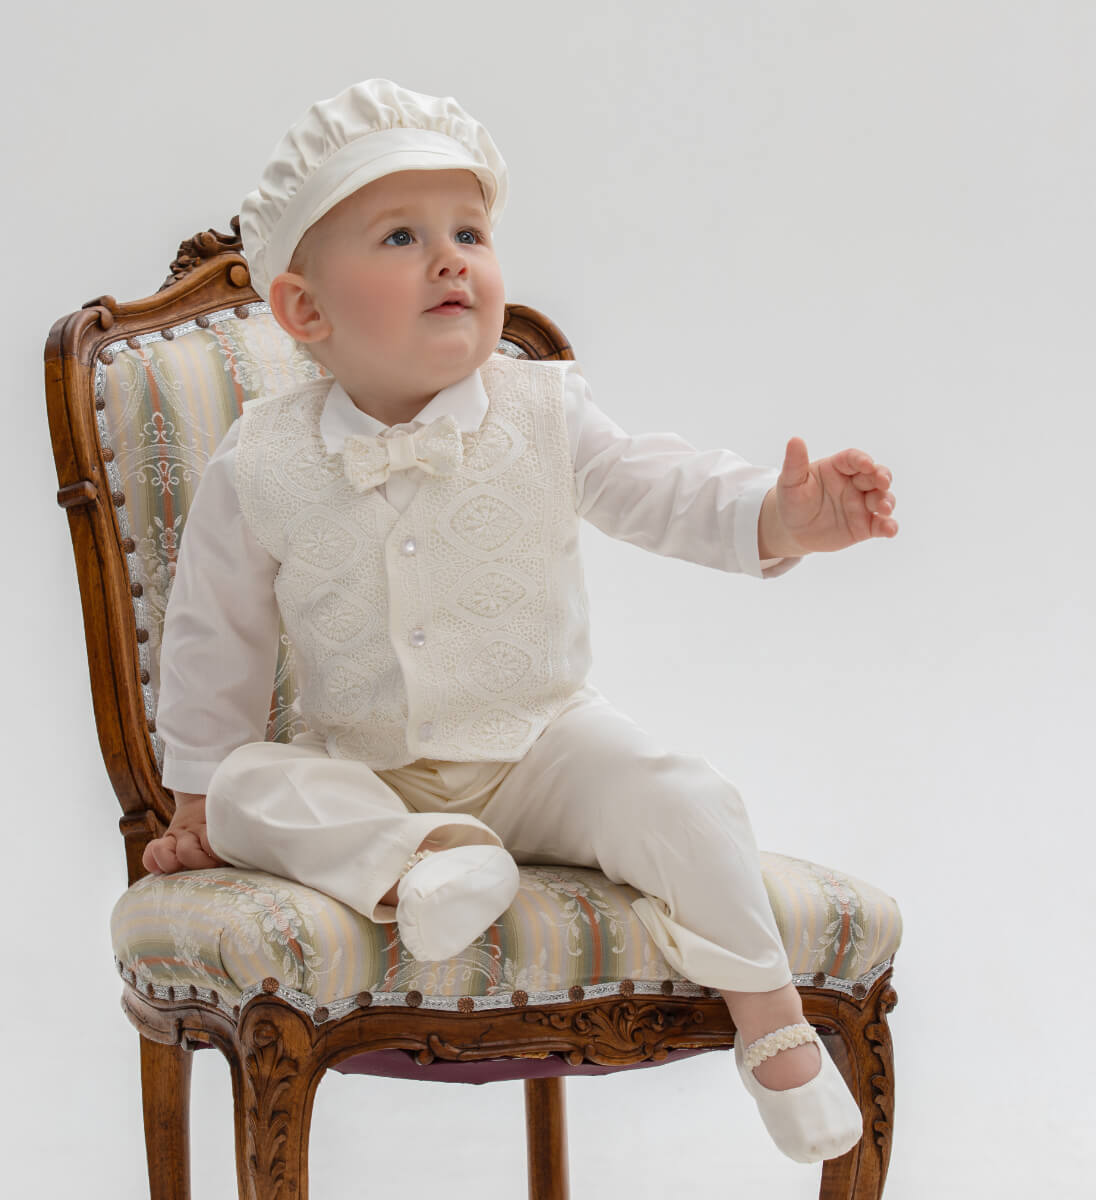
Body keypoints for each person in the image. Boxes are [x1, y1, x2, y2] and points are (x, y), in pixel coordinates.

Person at [143, 79, 897, 1164]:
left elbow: (660, 486)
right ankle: (430, 864)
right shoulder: (260, 460)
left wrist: (779, 515)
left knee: (680, 793)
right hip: (365, 768)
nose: (451, 258)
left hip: (542, 744)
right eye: (401, 236)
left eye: (471, 231)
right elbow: (215, 635)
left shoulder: (543, 409)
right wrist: (198, 799)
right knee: (260, 786)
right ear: (306, 311)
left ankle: (769, 1017)